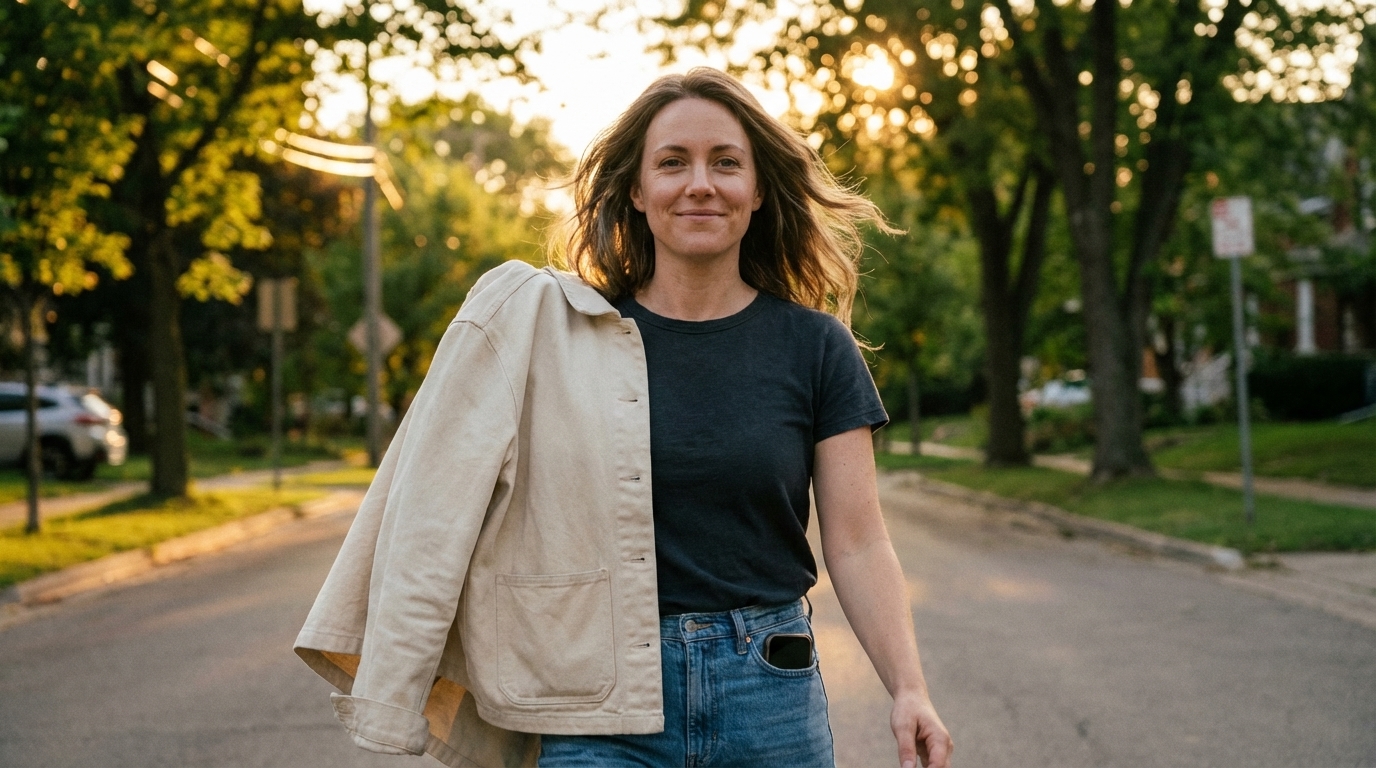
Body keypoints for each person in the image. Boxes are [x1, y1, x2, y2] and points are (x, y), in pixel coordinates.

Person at [295, 68, 951, 768]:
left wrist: (908, 687)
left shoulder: (816, 347)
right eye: (673, 163)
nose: (700, 183)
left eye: (725, 162)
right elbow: (443, 505)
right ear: (638, 192)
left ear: (757, 191)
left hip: (769, 692)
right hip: (595, 700)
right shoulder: (562, 339)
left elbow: (857, 543)